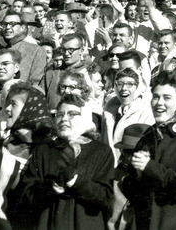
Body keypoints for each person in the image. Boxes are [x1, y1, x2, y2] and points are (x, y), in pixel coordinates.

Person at [120, 72, 176, 229]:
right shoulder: (149, 134)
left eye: (167, 98)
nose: (159, 103)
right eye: (156, 97)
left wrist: (150, 167)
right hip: (148, 220)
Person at [14, 93, 114, 229]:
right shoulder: (44, 150)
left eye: (72, 114)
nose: (64, 119)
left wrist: (75, 181)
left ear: (85, 117)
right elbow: (26, 194)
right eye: (60, 114)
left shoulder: (101, 151)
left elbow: (105, 197)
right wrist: (51, 188)